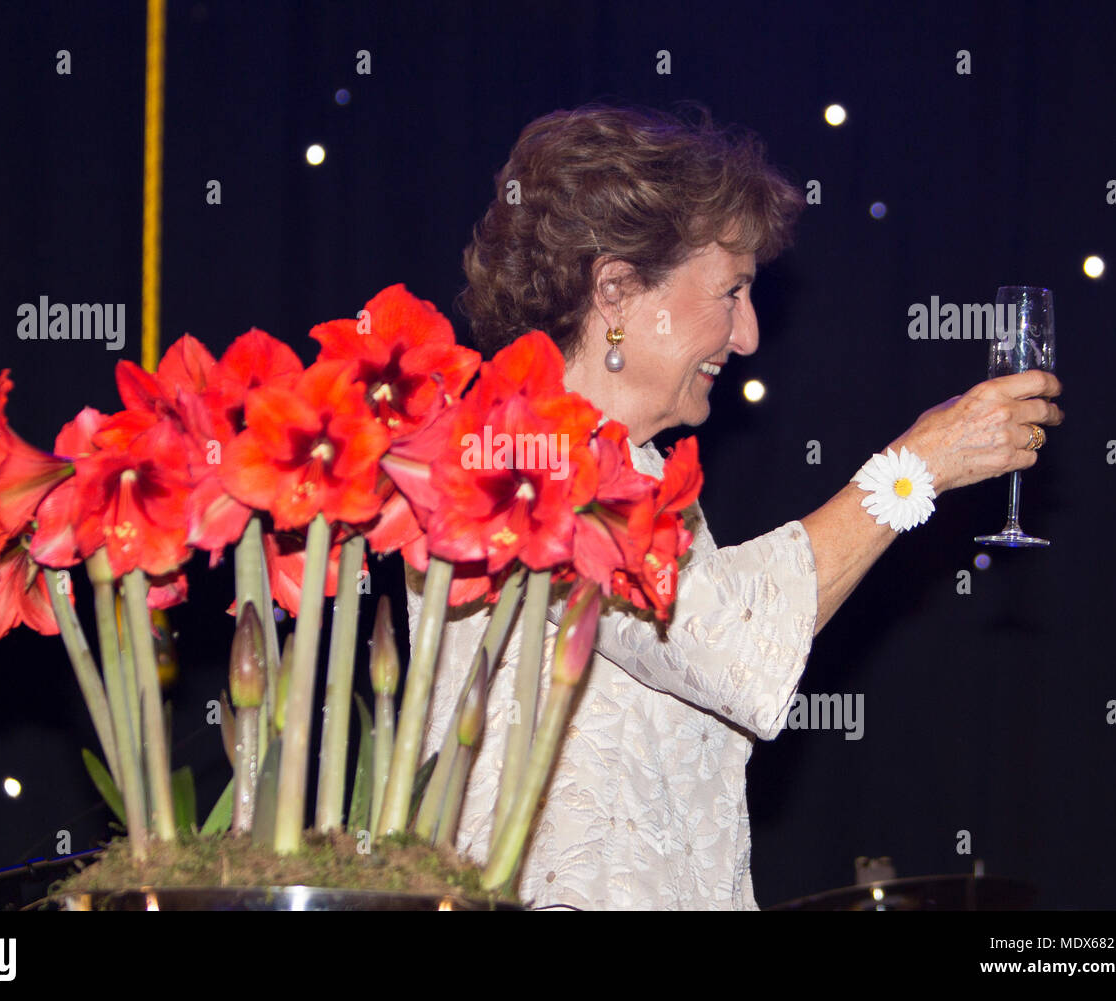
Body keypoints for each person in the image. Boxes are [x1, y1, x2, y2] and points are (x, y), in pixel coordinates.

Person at [409, 102, 1063, 909]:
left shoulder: (627, 465)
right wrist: (914, 470)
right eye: (732, 290)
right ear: (616, 289)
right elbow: (730, 640)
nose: (748, 334)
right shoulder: (529, 452)